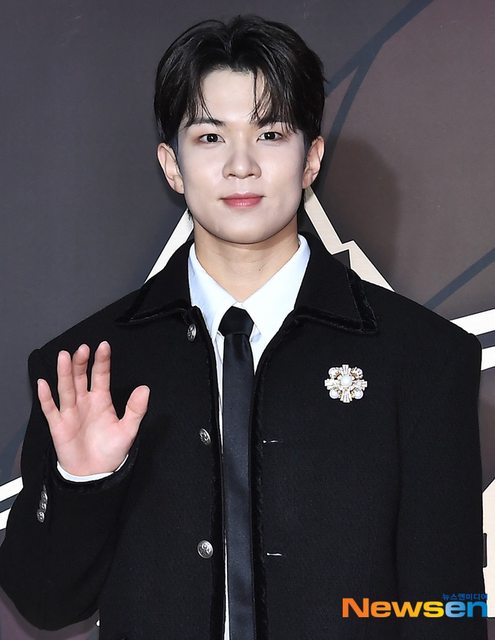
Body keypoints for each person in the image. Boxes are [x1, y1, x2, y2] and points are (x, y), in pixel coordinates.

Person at [0, 14, 486, 640]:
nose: (241, 165)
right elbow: (44, 603)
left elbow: (448, 609)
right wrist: (84, 483)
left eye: (270, 133)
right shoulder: (87, 367)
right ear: (171, 165)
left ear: (311, 158)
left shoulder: (423, 358)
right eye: (210, 137)